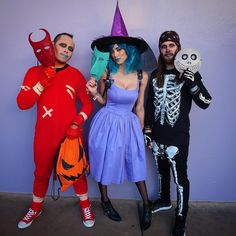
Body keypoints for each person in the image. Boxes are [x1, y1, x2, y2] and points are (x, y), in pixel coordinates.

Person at [16, 31, 95, 229]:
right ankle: (35, 208)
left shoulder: (76, 75)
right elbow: (22, 103)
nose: (67, 51)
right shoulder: (33, 72)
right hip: (44, 136)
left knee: (76, 173)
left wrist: (76, 123)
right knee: (41, 174)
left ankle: (85, 205)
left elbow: (87, 105)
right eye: (63, 45)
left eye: (70, 49)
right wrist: (42, 83)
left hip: (69, 136)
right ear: (52, 45)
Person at [86, 2, 152, 231]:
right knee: (105, 160)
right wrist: (95, 93)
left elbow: (140, 107)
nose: (115, 54)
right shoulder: (107, 72)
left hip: (129, 123)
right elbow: (103, 101)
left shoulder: (141, 75)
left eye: (119, 49)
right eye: (112, 50)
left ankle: (146, 205)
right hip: (107, 122)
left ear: (129, 49)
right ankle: (105, 201)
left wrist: (141, 132)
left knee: (136, 163)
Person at [143, 30, 212, 236]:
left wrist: (191, 82)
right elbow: (149, 104)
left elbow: (205, 102)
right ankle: (164, 200)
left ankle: (181, 216)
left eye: (171, 45)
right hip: (157, 137)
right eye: (164, 46)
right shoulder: (156, 74)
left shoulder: (190, 74)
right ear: (160, 49)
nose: (167, 49)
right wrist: (147, 131)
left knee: (180, 179)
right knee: (162, 172)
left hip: (178, 138)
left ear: (178, 48)